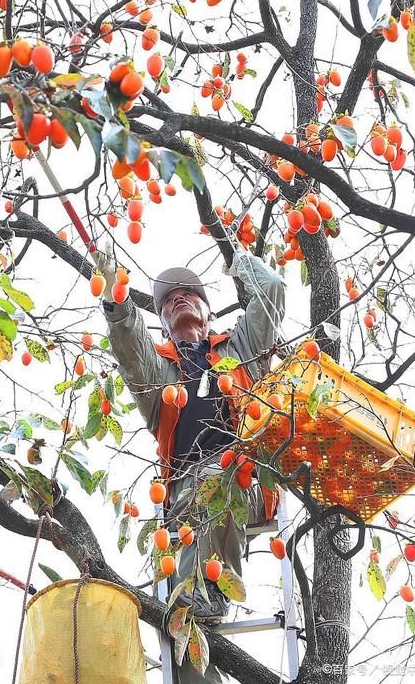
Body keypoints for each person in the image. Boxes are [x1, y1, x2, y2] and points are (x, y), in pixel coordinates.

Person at [101, 250, 286, 683]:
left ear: (207, 310)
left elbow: (272, 294)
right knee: (179, 616)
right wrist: (116, 296)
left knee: (214, 479)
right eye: (168, 301)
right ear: (162, 323)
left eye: (189, 294)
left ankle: (209, 597)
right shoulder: (161, 370)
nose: (179, 300)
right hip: (184, 501)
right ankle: (196, 634)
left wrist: (239, 259)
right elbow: (130, 348)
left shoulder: (237, 352)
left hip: (244, 485)